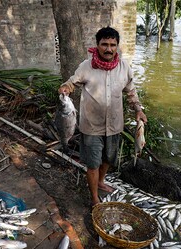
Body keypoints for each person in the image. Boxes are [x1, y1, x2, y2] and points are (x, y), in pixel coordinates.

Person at [58, 26, 147, 206]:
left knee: (108, 159)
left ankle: (100, 182)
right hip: (91, 125)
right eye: (104, 44)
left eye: (112, 45)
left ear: (117, 46)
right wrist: (66, 87)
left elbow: (131, 91)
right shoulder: (86, 66)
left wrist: (138, 108)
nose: (108, 49)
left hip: (114, 125)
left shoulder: (124, 68)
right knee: (92, 164)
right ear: (97, 45)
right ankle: (94, 198)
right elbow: (72, 81)